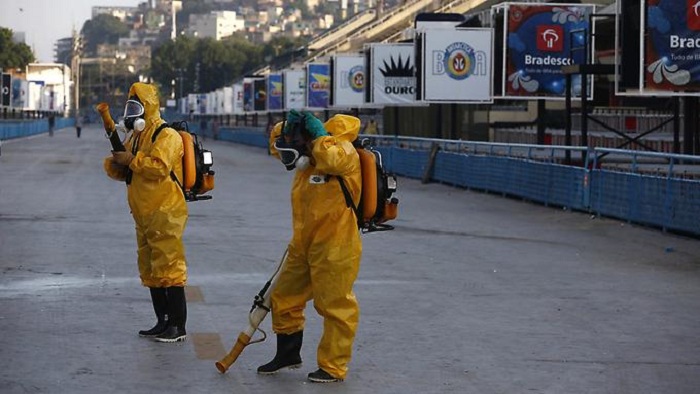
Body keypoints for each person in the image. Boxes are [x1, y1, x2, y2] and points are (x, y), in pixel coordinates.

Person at [259, 109, 362, 383]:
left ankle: (333, 366)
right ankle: (288, 353)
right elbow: (275, 146)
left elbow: (331, 157)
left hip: (336, 244)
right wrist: (288, 128)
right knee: (284, 296)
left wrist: (317, 136)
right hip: (303, 242)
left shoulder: (343, 152)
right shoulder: (309, 156)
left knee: (335, 305)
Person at [103, 82, 189, 343]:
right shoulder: (138, 137)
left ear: (148, 107)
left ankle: (177, 326)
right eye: (129, 107)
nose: (131, 113)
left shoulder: (167, 136)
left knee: (170, 266)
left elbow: (159, 168)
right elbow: (128, 171)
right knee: (150, 267)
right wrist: (117, 162)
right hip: (143, 213)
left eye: (136, 106)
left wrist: (131, 160)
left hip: (166, 211)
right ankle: (161, 321)